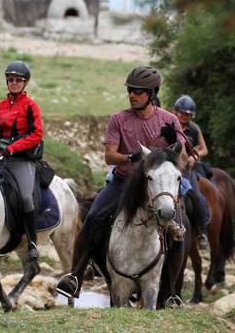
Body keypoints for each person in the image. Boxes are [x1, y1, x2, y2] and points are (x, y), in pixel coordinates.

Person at [57, 65, 188, 298]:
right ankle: (75, 277)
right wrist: (131, 157)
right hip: (122, 182)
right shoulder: (119, 119)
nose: (132, 95)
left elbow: (184, 161)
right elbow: (109, 155)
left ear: (152, 94)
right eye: (130, 90)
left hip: (156, 187)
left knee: (178, 232)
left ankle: (169, 294)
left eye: (138, 91)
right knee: (92, 217)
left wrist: (173, 143)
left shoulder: (169, 120)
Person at [0, 60, 43, 262]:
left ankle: (32, 242)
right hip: (0, 158)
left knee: (26, 197)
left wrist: (13, 148)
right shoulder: (0, 106)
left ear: (25, 83)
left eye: (18, 80)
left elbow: (36, 134)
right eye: (10, 79)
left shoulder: (31, 106)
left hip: (22, 160)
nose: (14, 83)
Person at [173, 95, 210, 249]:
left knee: (196, 196)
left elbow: (204, 149)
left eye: (188, 114)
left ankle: (202, 232)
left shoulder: (194, 129)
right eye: (182, 113)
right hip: (171, 165)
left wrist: (194, 157)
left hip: (188, 168)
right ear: (176, 111)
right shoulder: (170, 125)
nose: (185, 116)